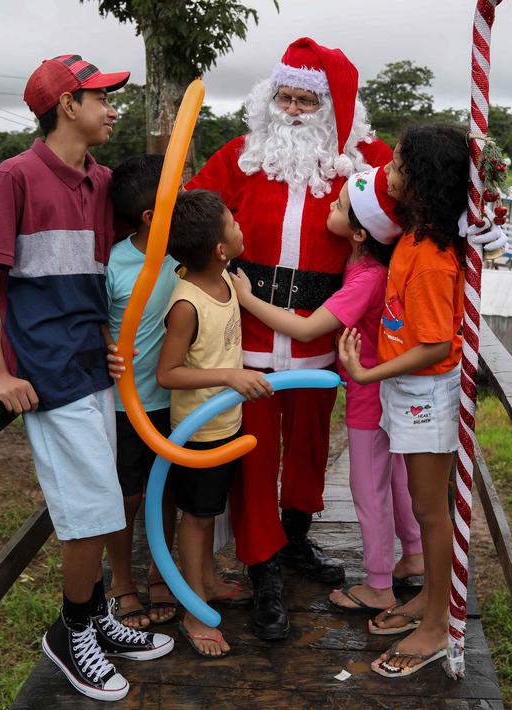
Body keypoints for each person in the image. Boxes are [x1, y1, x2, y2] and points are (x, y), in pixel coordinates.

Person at [0, 55, 172, 702]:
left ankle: (93, 617)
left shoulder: (100, 180)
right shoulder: (16, 177)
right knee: (90, 515)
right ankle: (70, 634)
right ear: (65, 105)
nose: (113, 108)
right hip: (50, 374)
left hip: (93, 364)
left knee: (101, 502)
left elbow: (102, 271)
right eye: (101, 98)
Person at [188, 36, 394, 641]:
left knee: (307, 449)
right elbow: (186, 214)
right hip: (245, 341)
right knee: (255, 455)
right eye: (287, 96)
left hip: (324, 340)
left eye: (309, 100)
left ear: (333, 108)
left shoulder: (364, 162)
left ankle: (296, 538)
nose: (295, 110)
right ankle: (263, 567)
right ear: (269, 97)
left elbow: (418, 192)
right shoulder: (239, 156)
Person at [230, 167, 422, 614]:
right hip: (375, 385)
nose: (328, 208)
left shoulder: (365, 277)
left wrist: (247, 298)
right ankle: (411, 554)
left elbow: (306, 326)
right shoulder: (364, 264)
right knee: (394, 479)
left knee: (368, 487)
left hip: (365, 390)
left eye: (336, 207)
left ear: (357, 233)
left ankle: (377, 582)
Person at [337, 123, 485, 678]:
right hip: (411, 390)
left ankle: (439, 624)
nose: (388, 174)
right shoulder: (416, 240)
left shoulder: (428, 257)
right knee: (428, 510)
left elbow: (433, 346)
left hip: (424, 392)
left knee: (430, 511)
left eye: (397, 166)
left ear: (421, 181)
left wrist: (367, 372)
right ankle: (431, 600)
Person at [156, 189, 274, 658]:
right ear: (220, 248)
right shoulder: (186, 303)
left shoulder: (224, 277)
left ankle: (204, 580)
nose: (241, 226)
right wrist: (230, 375)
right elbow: (168, 373)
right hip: (199, 432)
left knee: (211, 512)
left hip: (226, 423)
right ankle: (193, 608)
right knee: (199, 519)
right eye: (234, 223)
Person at [104, 154, 181, 629]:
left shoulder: (187, 254)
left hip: (177, 402)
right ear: (151, 216)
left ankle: (160, 571)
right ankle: (120, 582)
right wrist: (105, 347)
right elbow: (95, 320)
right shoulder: (114, 262)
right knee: (127, 495)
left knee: (165, 489)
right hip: (124, 404)